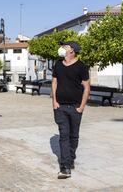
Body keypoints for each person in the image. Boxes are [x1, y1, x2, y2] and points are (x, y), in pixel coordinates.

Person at [52, 41, 90, 179]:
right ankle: (65, 167)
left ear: (72, 50)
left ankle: (70, 158)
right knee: (64, 136)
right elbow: (54, 82)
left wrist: (81, 107)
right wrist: (54, 101)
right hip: (60, 107)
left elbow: (86, 87)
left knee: (74, 136)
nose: (61, 48)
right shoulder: (57, 65)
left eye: (64, 46)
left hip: (75, 108)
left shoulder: (81, 66)